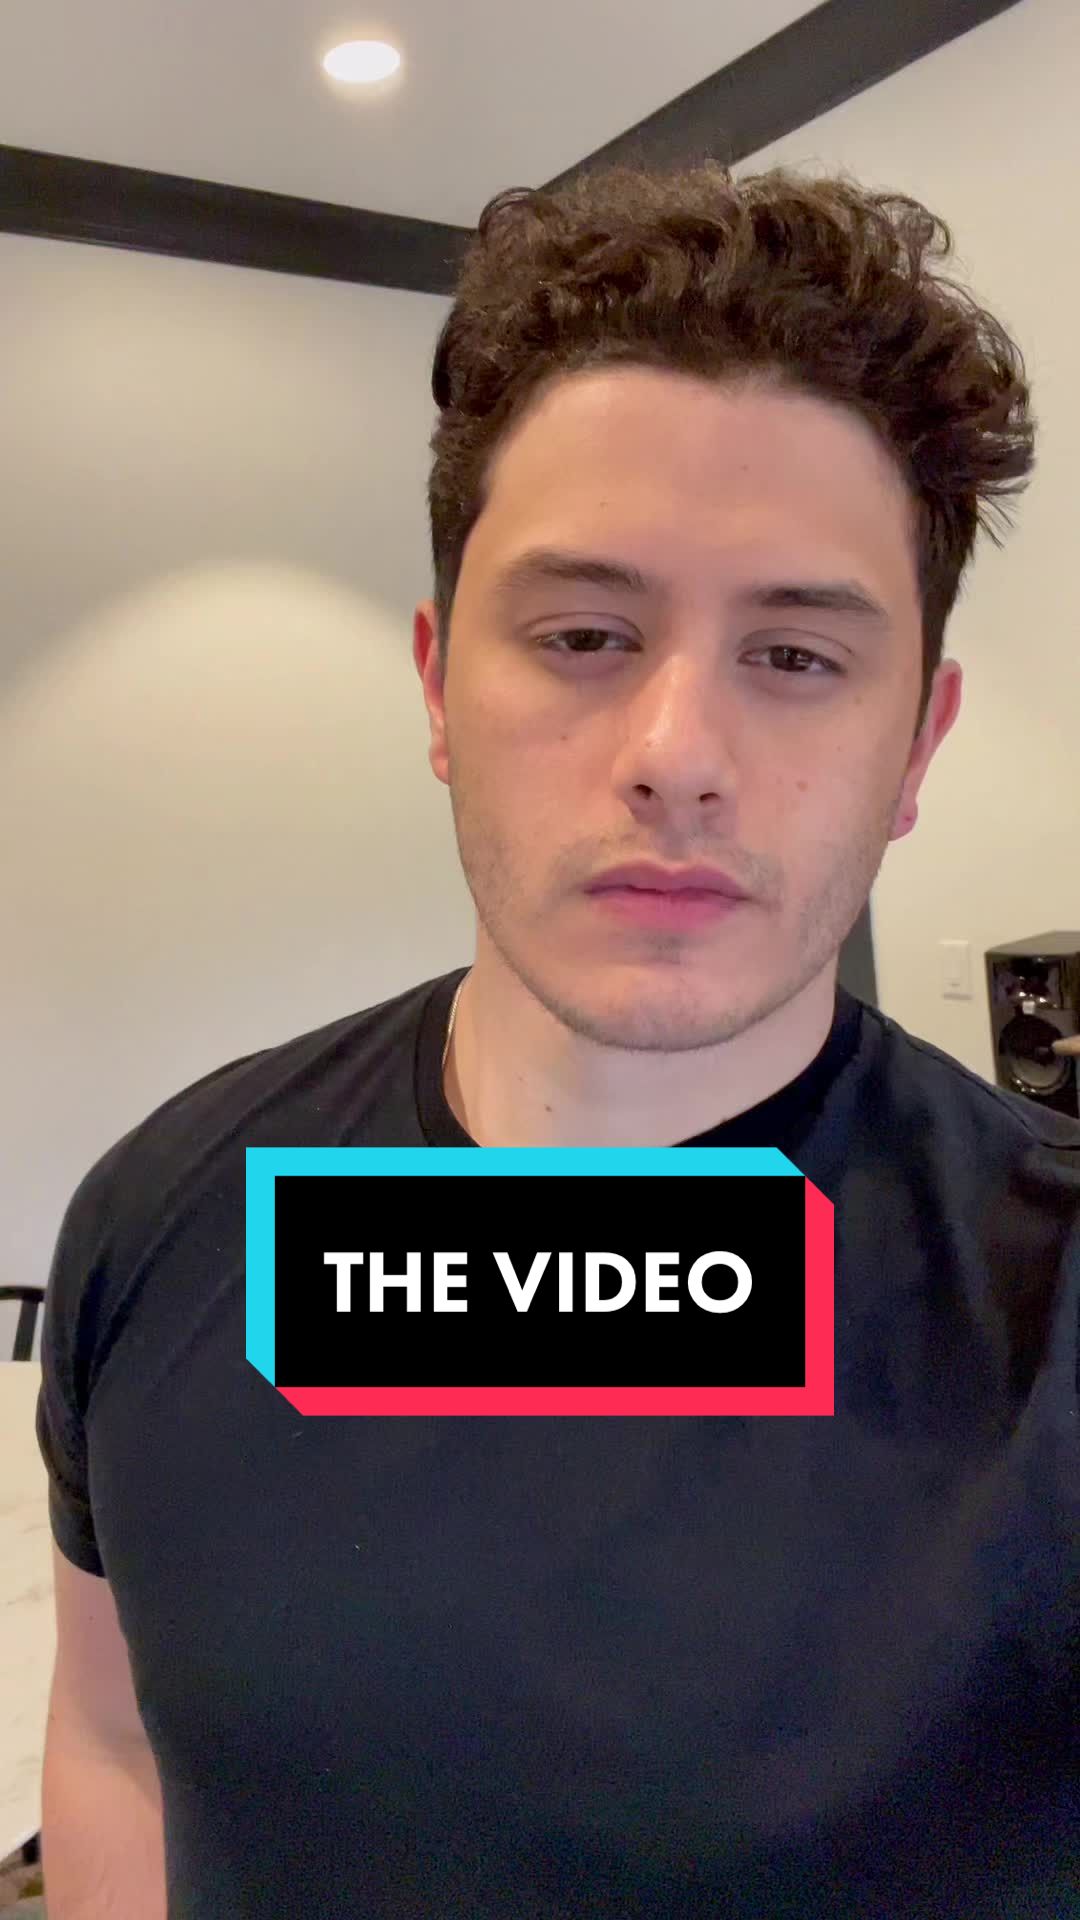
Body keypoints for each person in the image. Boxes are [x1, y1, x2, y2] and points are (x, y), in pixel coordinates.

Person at [36, 161, 1078, 1919]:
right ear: (441, 686)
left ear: (918, 749)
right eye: (586, 634)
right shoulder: (168, 1216)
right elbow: (118, 1741)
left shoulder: (1049, 1309)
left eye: (796, 657)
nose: (677, 753)